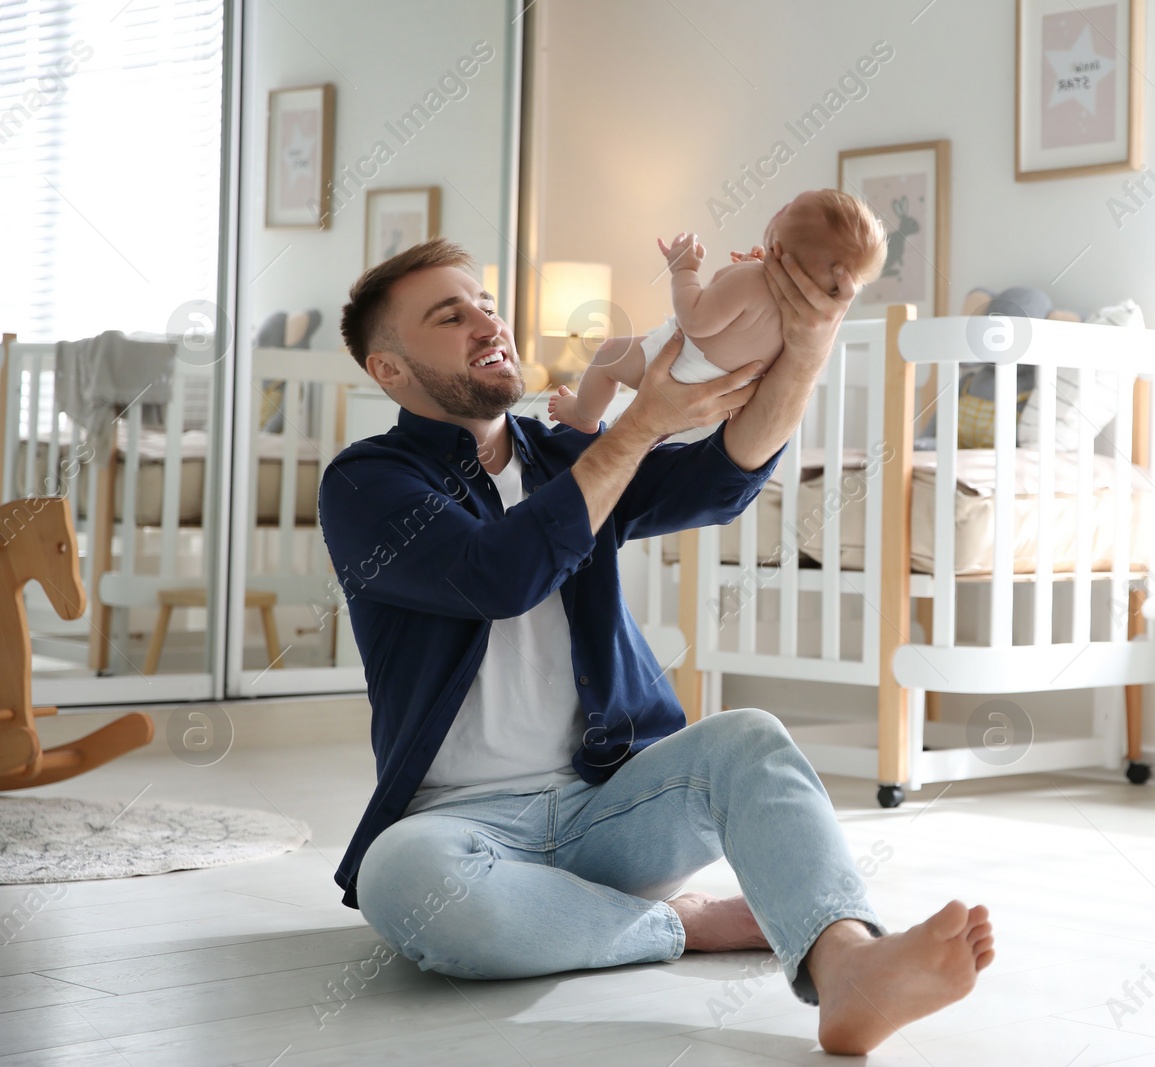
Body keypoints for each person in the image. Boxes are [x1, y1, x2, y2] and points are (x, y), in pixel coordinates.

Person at [318, 228, 993, 1056]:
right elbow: (496, 574)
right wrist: (636, 427)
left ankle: (848, 964)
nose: (488, 324)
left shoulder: (567, 453)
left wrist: (811, 340)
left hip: (615, 807)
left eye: (488, 305)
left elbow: (719, 479)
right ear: (387, 368)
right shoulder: (364, 483)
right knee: (402, 881)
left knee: (748, 739)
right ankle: (687, 923)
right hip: (464, 827)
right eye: (450, 316)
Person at [547, 189, 886, 433]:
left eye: (791, 207)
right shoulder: (798, 315)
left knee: (607, 354)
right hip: (721, 390)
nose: (784, 204)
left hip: (684, 366)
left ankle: (583, 416)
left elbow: (695, 319)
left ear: (783, 247)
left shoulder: (751, 278)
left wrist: (684, 270)